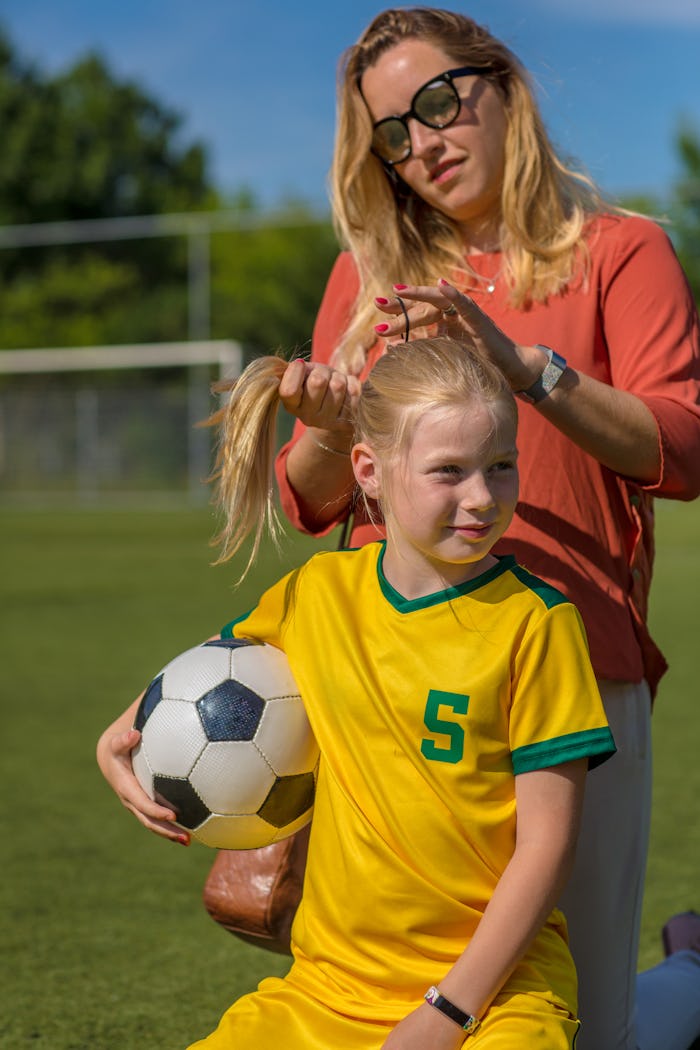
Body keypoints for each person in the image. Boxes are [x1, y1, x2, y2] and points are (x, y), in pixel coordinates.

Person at [270, 8, 700, 1050]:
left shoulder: (621, 250)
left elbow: (682, 448)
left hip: (574, 674)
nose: (421, 142)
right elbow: (312, 498)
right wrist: (327, 430)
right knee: (393, 1011)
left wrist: (525, 370)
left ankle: (688, 975)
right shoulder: (367, 274)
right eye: (390, 131)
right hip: (394, 683)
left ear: (503, 87)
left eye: (438, 101)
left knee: (586, 1028)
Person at [98, 335, 617, 1048]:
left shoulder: (539, 625)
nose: (481, 497)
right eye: (449, 471)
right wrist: (113, 743)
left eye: (501, 467)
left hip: (495, 995)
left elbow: (547, 847)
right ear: (370, 470)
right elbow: (183, 690)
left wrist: (447, 1013)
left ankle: (685, 973)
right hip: (328, 989)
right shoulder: (318, 594)